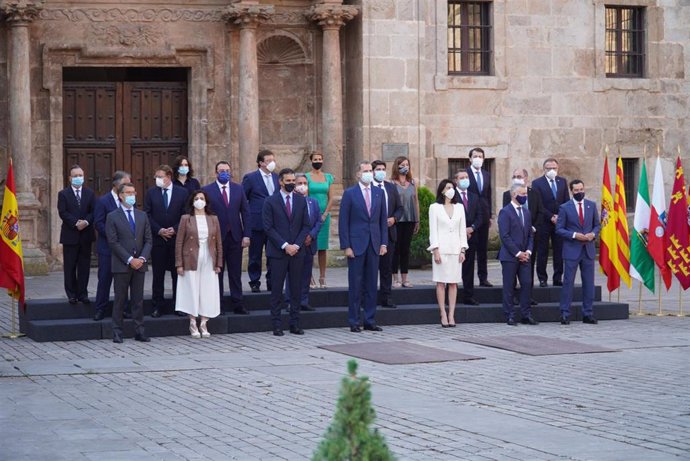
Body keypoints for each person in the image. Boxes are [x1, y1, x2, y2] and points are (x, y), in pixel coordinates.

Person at [339, 161, 388, 333]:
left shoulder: (378, 193)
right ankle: (354, 320)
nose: (368, 173)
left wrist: (383, 242)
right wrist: (346, 245)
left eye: (370, 171)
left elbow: (382, 220)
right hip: (356, 245)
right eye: (365, 171)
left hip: (374, 244)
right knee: (355, 284)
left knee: (371, 284)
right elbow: (343, 221)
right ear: (358, 174)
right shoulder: (350, 193)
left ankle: (369, 319)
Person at [262, 168, 311, 336]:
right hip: (278, 252)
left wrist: (296, 245)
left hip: (297, 252)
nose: (291, 184)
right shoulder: (270, 201)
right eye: (288, 181)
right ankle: (276, 324)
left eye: (293, 181)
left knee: (296, 289)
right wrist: (285, 245)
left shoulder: (301, 201)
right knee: (276, 289)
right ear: (280, 182)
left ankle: (295, 323)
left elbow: (306, 225)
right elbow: (268, 227)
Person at [106, 183, 153, 343]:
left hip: (140, 264)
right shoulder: (112, 216)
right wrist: (129, 259)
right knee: (120, 299)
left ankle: (139, 331)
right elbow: (113, 242)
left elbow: (148, 240)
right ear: (120, 195)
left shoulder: (142, 215)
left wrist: (141, 259)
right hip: (122, 265)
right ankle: (117, 331)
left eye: (133, 192)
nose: (132, 195)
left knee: (138, 299)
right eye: (128, 193)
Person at [202, 161, 251, 315]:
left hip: (235, 236)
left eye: (227, 170)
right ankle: (218, 304)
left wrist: (247, 235)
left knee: (235, 272)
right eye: (221, 170)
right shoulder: (207, 190)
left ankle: (238, 303)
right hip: (216, 238)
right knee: (218, 271)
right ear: (216, 173)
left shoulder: (238, 189)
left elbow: (245, 212)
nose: (225, 173)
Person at [175, 191, 223, 338]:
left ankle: (204, 322)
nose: (199, 201)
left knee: (207, 289)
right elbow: (179, 242)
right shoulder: (186, 219)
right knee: (192, 288)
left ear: (206, 201)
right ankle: (192, 322)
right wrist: (179, 264)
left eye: (202, 198)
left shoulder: (213, 219)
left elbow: (218, 242)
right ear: (192, 202)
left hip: (209, 258)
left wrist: (219, 263)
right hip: (191, 257)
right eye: (196, 198)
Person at [144, 165, 189, 317]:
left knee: (177, 274)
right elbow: (147, 214)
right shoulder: (151, 193)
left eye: (159, 176)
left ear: (169, 176)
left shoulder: (182, 193)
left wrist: (174, 229)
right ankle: (158, 306)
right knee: (158, 275)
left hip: (176, 240)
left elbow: (186, 214)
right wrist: (159, 230)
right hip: (158, 240)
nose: (157, 179)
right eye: (156, 177)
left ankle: (179, 305)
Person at [556, 179, 601, 325]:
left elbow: (597, 225)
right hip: (572, 250)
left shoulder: (591, 205)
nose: (579, 192)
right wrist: (575, 235)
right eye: (576, 190)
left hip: (588, 250)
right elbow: (559, 229)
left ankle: (588, 313)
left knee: (589, 283)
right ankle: (565, 313)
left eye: (581, 189)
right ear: (571, 191)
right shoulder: (565, 207)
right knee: (568, 283)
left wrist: (593, 234)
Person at [428, 180, 468, 327]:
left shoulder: (459, 207)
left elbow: (462, 230)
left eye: (452, 187)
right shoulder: (435, 208)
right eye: (448, 187)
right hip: (441, 250)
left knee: (453, 283)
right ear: (442, 190)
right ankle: (442, 313)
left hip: (455, 250)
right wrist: (435, 250)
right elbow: (433, 231)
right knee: (440, 282)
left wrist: (463, 249)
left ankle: (451, 314)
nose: (451, 190)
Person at [502, 168, 544, 305]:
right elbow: (506, 226)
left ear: (526, 178)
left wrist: (533, 228)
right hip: (513, 244)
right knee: (511, 276)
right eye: (514, 176)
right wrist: (518, 252)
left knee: (527, 274)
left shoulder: (535, 193)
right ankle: (513, 300)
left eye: (519, 176)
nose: (516, 178)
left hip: (530, 239)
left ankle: (528, 298)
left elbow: (539, 212)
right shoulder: (507, 196)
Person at [497, 184, 537, 326]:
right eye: (522, 193)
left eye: (526, 193)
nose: (525, 196)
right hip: (510, 256)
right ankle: (509, 315)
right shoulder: (505, 212)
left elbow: (530, 234)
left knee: (526, 284)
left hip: (525, 256)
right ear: (514, 194)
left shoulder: (526, 212)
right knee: (509, 286)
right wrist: (518, 253)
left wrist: (528, 252)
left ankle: (526, 314)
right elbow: (505, 236)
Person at [93, 170, 130, 321]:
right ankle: (100, 309)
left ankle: (124, 309)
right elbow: (99, 223)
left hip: (124, 248)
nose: (127, 187)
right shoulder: (103, 201)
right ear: (116, 184)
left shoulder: (128, 200)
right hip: (107, 248)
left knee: (123, 281)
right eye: (125, 184)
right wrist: (112, 235)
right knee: (104, 279)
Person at [57, 164, 96, 304]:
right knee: (70, 266)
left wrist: (85, 222)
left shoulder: (90, 193)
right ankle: (71, 294)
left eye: (80, 175)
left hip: (86, 235)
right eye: (75, 176)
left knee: (84, 266)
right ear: (70, 178)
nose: (78, 178)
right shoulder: (63, 194)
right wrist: (75, 223)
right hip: (70, 235)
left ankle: (83, 293)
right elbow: (63, 212)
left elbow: (93, 211)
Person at [242, 149, 279, 293]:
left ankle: (271, 280)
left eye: (273, 160)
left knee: (272, 255)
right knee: (255, 255)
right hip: (256, 222)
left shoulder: (277, 177)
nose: (272, 163)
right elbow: (243, 199)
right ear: (261, 163)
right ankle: (254, 281)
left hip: (273, 224)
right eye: (269, 160)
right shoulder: (251, 178)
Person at [285, 173, 322, 311]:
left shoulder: (314, 202)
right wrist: (300, 238)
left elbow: (318, 221)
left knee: (306, 273)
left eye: (305, 183)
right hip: (295, 243)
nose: (302, 186)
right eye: (299, 183)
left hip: (309, 243)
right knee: (292, 274)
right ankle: (290, 300)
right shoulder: (291, 201)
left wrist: (311, 235)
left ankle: (303, 300)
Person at [532, 158, 569, 287]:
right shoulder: (537, 183)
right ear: (544, 169)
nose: (551, 170)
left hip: (560, 222)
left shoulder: (562, 182)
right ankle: (542, 278)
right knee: (542, 251)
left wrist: (561, 216)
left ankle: (558, 277)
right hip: (544, 222)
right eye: (549, 168)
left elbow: (566, 201)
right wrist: (551, 216)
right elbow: (539, 204)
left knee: (559, 250)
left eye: (554, 168)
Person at [372, 160, 403, 308]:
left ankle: (386, 297)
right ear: (372, 171)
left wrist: (394, 218)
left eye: (383, 169)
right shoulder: (368, 188)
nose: (381, 171)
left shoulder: (391, 187)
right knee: (371, 269)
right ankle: (369, 298)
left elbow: (400, 208)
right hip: (372, 234)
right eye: (378, 169)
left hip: (389, 233)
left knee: (387, 268)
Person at [454, 170, 485, 306]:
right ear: (456, 180)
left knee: (469, 267)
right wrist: (462, 230)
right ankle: (452, 296)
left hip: (471, 236)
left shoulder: (474, 196)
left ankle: (468, 295)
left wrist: (472, 228)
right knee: (454, 267)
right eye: (462, 178)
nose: (465, 179)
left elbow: (480, 216)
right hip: (455, 238)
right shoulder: (452, 196)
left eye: (466, 177)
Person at [305, 152, 334, 289]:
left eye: (320, 159)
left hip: (324, 216)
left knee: (323, 248)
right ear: (311, 161)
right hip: (311, 215)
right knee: (310, 246)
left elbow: (331, 197)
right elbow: (305, 194)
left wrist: (326, 213)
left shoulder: (328, 177)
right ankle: (309, 276)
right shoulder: (307, 177)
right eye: (316, 159)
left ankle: (322, 277)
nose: (318, 161)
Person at [466, 147, 493, 287]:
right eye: (475, 156)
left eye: (480, 156)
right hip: (470, 217)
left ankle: (483, 277)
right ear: (470, 158)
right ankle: (467, 280)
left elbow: (488, 195)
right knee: (469, 249)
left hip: (484, 216)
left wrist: (489, 215)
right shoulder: (465, 174)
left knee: (483, 249)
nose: (478, 158)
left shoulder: (487, 174)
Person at [391, 156, 419, 288]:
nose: (405, 167)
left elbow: (416, 201)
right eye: (402, 164)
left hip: (410, 219)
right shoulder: (391, 183)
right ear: (397, 166)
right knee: (396, 249)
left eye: (407, 164)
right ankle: (395, 278)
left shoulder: (412, 182)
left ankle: (405, 278)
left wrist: (417, 219)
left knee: (405, 249)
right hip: (397, 220)